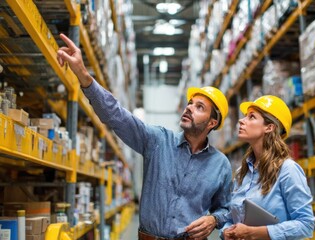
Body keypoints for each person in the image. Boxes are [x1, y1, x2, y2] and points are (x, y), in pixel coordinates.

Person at [56, 33, 232, 240]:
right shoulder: (157, 140)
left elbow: (228, 209)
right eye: (190, 103)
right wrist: (83, 74)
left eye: (199, 107)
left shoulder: (220, 165)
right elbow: (116, 115)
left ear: (212, 123)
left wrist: (214, 220)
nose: (189, 108)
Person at [222, 95, 315, 240]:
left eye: (251, 117)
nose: (241, 120)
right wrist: (225, 231)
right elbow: (231, 217)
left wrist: (253, 233)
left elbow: (306, 224)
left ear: (269, 127)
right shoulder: (242, 173)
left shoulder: (287, 170)